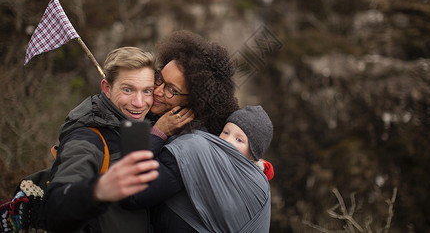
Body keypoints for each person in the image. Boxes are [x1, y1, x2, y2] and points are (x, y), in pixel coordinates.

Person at [123, 31, 272, 232]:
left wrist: (157, 134)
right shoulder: (200, 131)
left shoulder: (191, 149)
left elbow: (132, 194)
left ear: (195, 100)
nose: (158, 90)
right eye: (159, 78)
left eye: (171, 90)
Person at [44, 47, 161, 232]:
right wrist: (98, 190)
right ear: (107, 88)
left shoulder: (148, 126)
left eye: (147, 91)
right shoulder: (87, 137)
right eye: (128, 89)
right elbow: (56, 207)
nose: (139, 102)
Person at [219, 105, 274, 181]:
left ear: (252, 154)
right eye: (226, 132)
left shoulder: (251, 182)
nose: (227, 140)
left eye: (239, 140)